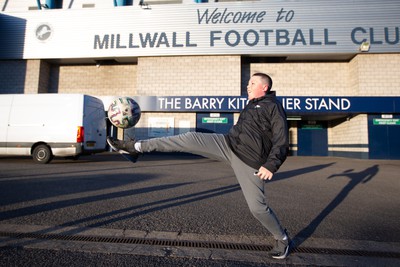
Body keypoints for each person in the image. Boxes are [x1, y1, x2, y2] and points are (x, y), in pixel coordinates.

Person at [107, 72, 291, 259]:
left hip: (250, 161)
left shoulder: (273, 107)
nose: (248, 86)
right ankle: (135, 147)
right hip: (228, 144)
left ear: (265, 87)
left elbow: (281, 140)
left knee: (257, 208)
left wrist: (271, 165)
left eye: (252, 83)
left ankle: (282, 238)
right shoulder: (251, 105)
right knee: (189, 138)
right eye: (248, 83)